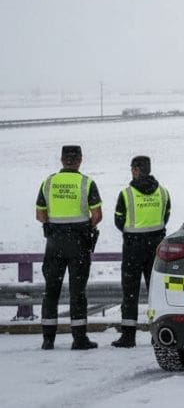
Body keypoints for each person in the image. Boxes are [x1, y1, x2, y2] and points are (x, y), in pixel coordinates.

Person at [36, 145, 102, 350]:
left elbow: (40, 215)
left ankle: (48, 340)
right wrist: (83, 227)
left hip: (54, 243)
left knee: (51, 291)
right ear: (80, 160)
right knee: (78, 292)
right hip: (79, 244)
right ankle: (79, 339)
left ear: (62, 160)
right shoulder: (87, 183)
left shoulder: (48, 182)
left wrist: (56, 226)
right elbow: (97, 215)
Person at [111, 155, 171, 348]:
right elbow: (166, 215)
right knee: (156, 292)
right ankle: (158, 334)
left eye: (133, 168)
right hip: (156, 247)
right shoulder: (163, 192)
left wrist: (134, 233)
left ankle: (128, 336)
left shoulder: (126, 194)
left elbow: (119, 220)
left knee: (130, 292)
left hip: (132, 247)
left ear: (136, 170)